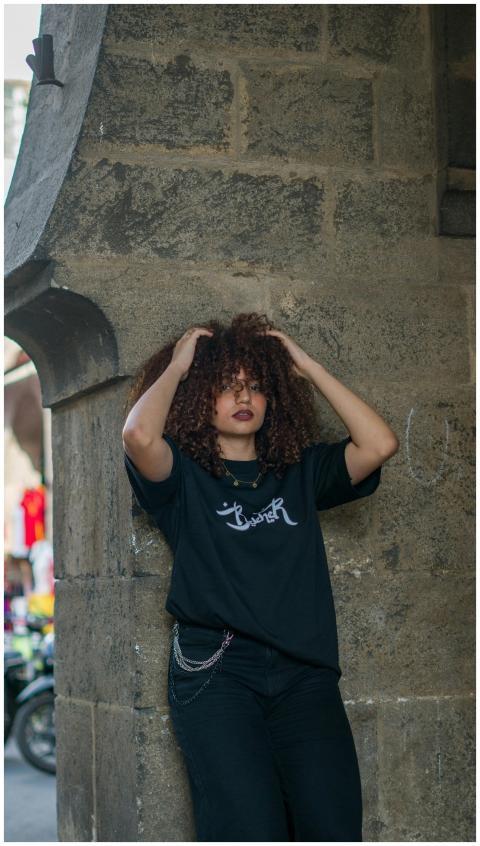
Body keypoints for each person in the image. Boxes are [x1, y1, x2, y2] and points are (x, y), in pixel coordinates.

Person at [122, 312, 399, 842]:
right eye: (225, 387)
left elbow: (379, 444)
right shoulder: (179, 477)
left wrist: (309, 367)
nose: (242, 397)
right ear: (198, 397)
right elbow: (137, 433)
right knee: (248, 829)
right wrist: (180, 366)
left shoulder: (299, 471)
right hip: (217, 672)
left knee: (333, 827)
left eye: (255, 386)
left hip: (304, 675)